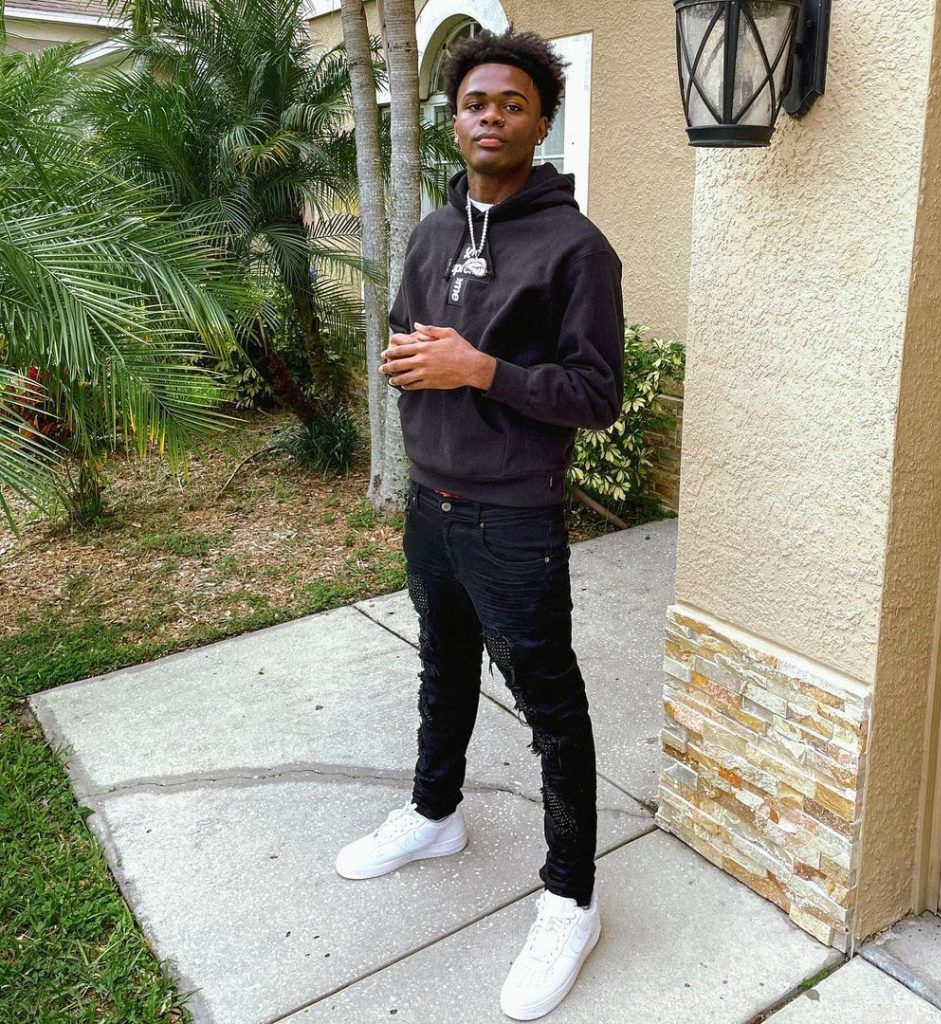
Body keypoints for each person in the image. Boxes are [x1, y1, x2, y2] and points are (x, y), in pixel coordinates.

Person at [334, 26, 624, 1021]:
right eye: (474, 103)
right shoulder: (428, 234)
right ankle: (434, 812)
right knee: (443, 668)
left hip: (514, 520)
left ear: (540, 124)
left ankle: (571, 899)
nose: (490, 116)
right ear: (452, 120)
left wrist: (480, 369)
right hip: (432, 504)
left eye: (511, 103)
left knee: (551, 709)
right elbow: (408, 340)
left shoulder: (577, 249)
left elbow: (595, 395)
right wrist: (415, 368)